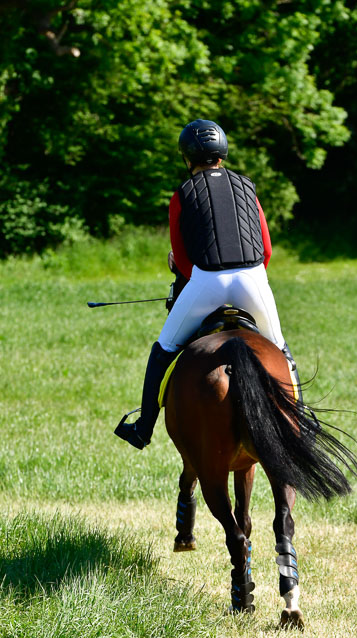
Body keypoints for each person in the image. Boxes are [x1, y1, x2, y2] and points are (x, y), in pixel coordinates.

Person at [115, 118, 296, 450]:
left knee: (163, 349)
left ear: (188, 158)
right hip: (253, 279)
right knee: (281, 351)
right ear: (222, 154)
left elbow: (183, 260)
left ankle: (143, 428)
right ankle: (301, 423)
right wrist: (251, 279)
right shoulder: (248, 187)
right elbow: (267, 250)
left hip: (207, 282)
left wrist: (194, 277)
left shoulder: (182, 194)